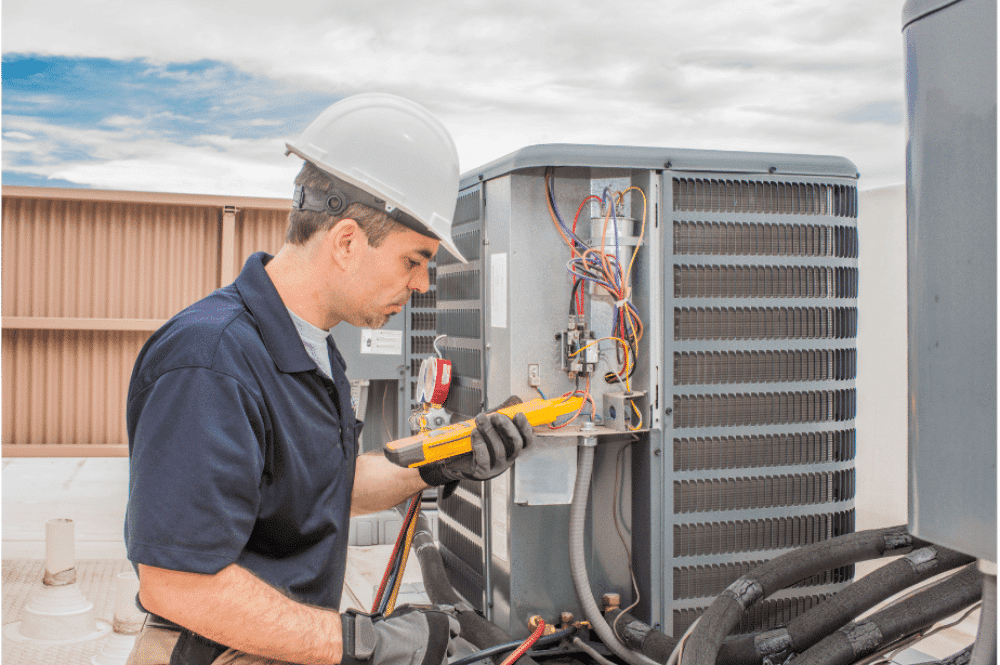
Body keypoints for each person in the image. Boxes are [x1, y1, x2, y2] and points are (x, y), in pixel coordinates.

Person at [124, 94, 534, 665]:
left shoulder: (312, 348)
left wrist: (443, 460)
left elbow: (322, 491)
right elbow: (177, 582)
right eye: (413, 260)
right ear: (346, 242)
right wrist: (368, 643)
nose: (421, 284)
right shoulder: (211, 361)